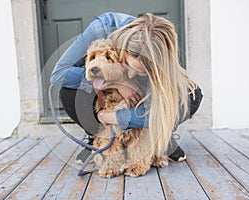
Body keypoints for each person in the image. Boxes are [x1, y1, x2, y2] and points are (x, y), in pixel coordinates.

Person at [50, 12, 203, 164]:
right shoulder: (102, 27)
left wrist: (111, 117)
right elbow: (59, 74)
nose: (131, 75)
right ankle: (98, 138)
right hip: (106, 88)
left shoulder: (156, 52)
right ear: (124, 48)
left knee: (191, 95)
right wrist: (118, 83)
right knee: (68, 92)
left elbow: (155, 110)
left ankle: (161, 135)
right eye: (128, 64)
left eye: (139, 72)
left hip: (141, 95)